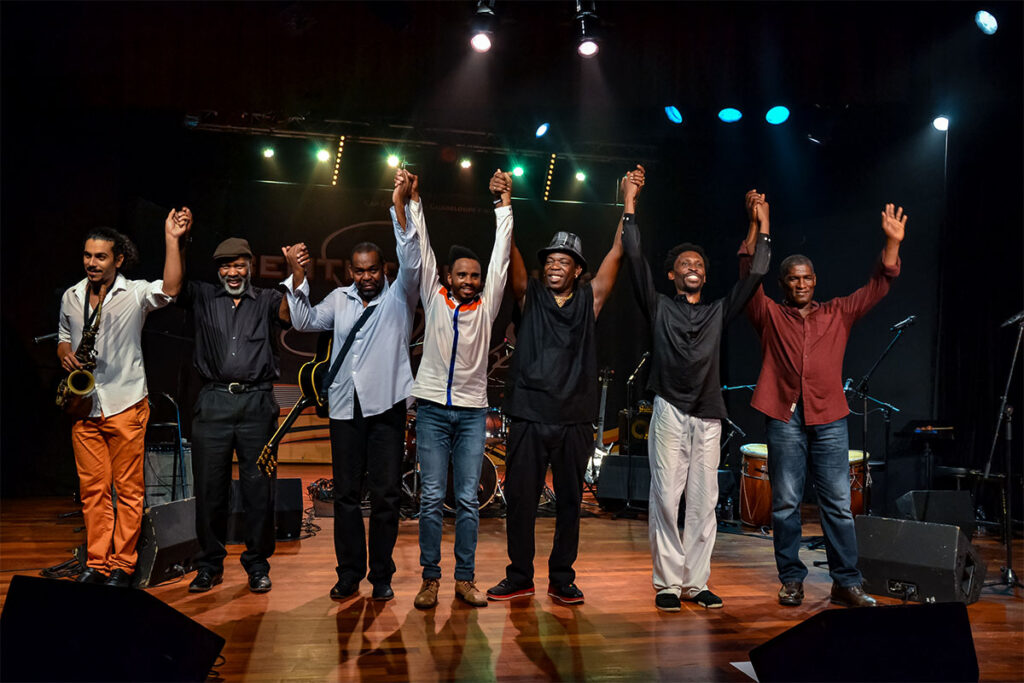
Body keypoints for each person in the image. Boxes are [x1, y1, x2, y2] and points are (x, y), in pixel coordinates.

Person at [741, 203, 907, 608]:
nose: (801, 284)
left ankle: (845, 582)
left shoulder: (838, 313)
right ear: (784, 283)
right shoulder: (769, 314)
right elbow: (747, 274)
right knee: (784, 503)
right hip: (784, 416)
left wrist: (891, 242)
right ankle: (792, 580)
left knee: (837, 503)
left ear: (815, 281)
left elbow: (878, 285)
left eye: (807, 278)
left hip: (829, 417)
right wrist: (757, 225)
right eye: (793, 279)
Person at [486, 166, 636, 606]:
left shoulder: (590, 300)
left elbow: (618, 253)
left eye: (563, 261)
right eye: (549, 259)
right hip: (530, 415)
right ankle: (519, 575)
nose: (554, 265)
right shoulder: (529, 296)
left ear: (577, 271)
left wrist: (629, 199)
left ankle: (561, 577)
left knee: (570, 502)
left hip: (573, 418)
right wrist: (503, 203)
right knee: (520, 500)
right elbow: (506, 251)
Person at [624, 186, 771, 612]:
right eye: (684, 264)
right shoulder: (658, 307)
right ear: (672, 275)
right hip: (669, 406)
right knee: (667, 497)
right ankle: (668, 583)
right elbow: (634, 258)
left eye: (699, 265)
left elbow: (757, 272)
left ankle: (696, 582)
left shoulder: (718, 312)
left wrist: (761, 222)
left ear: (705, 277)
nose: (692, 267)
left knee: (704, 501)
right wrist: (630, 201)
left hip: (709, 413)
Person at [282, 169, 421, 602]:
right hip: (344, 408)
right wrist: (296, 276)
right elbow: (303, 321)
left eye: (374, 270)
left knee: (384, 497)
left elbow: (413, 257)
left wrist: (399, 206)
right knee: (345, 497)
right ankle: (348, 574)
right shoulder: (338, 300)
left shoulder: (400, 296)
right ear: (349, 271)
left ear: (384, 270)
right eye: (359, 271)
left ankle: (381, 575)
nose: (367, 277)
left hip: (386, 409)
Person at [58, 210, 188, 587]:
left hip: (127, 403)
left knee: (128, 492)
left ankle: (122, 565)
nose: (91, 263)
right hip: (85, 406)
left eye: (100, 257)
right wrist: (64, 353)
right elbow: (63, 334)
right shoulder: (72, 295)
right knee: (93, 491)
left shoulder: (134, 293)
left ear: (118, 260)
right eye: (87, 255)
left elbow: (172, 288)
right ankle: (96, 563)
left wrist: (171, 238)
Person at [408, 169, 513, 609]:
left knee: (468, 501)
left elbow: (501, 256)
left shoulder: (487, 306)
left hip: (471, 413)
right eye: (462, 275)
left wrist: (503, 204)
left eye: (474, 275)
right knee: (431, 498)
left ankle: (464, 579)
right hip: (431, 408)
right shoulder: (434, 298)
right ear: (449, 277)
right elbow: (423, 248)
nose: (469, 281)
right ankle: (430, 579)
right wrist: (414, 201)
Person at [181, 235, 298, 594]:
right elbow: (171, 286)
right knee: (209, 489)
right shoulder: (203, 296)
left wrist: (295, 272)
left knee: (258, 490)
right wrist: (175, 241)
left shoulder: (267, 299)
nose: (232, 272)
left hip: (256, 404)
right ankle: (208, 565)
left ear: (250, 265)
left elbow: (290, 316)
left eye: (239, 264)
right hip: (214, 401)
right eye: (225, 265)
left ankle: (258, 564)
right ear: (218, 270)